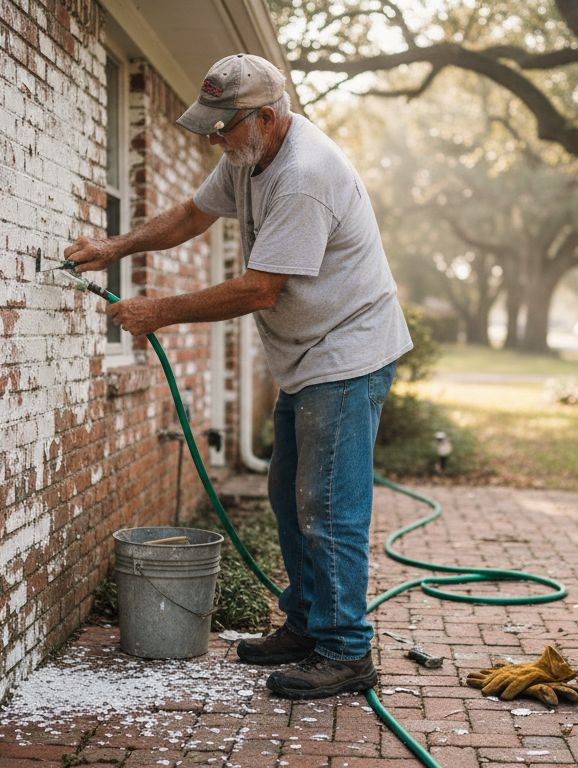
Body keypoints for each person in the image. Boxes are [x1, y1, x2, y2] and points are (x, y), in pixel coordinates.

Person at [64, 53, 412, 699]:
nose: (216, 140)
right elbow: (190, 216)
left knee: (328, 508)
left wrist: (157, 312)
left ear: (268, 117)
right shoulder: (249, 155)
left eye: (226, 128)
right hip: (309, 357)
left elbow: (259, 290)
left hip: (347, 353)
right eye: (214, 129)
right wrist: (115, 247)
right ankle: (308, 626)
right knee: (289, 497)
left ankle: (346, 650)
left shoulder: (304, 176)